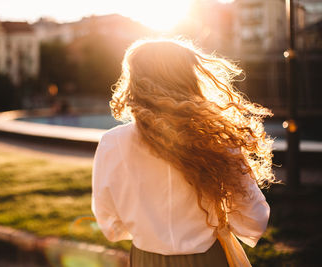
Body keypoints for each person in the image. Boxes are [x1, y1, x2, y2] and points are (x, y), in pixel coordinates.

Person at [91, 38, 277, 266]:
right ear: (189, 80)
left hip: (145, 260)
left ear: (134, 84)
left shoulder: (112, 142)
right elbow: (254, 221)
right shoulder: (217, 140)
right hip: (207, 259)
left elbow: (109, 223)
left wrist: (150, 230)